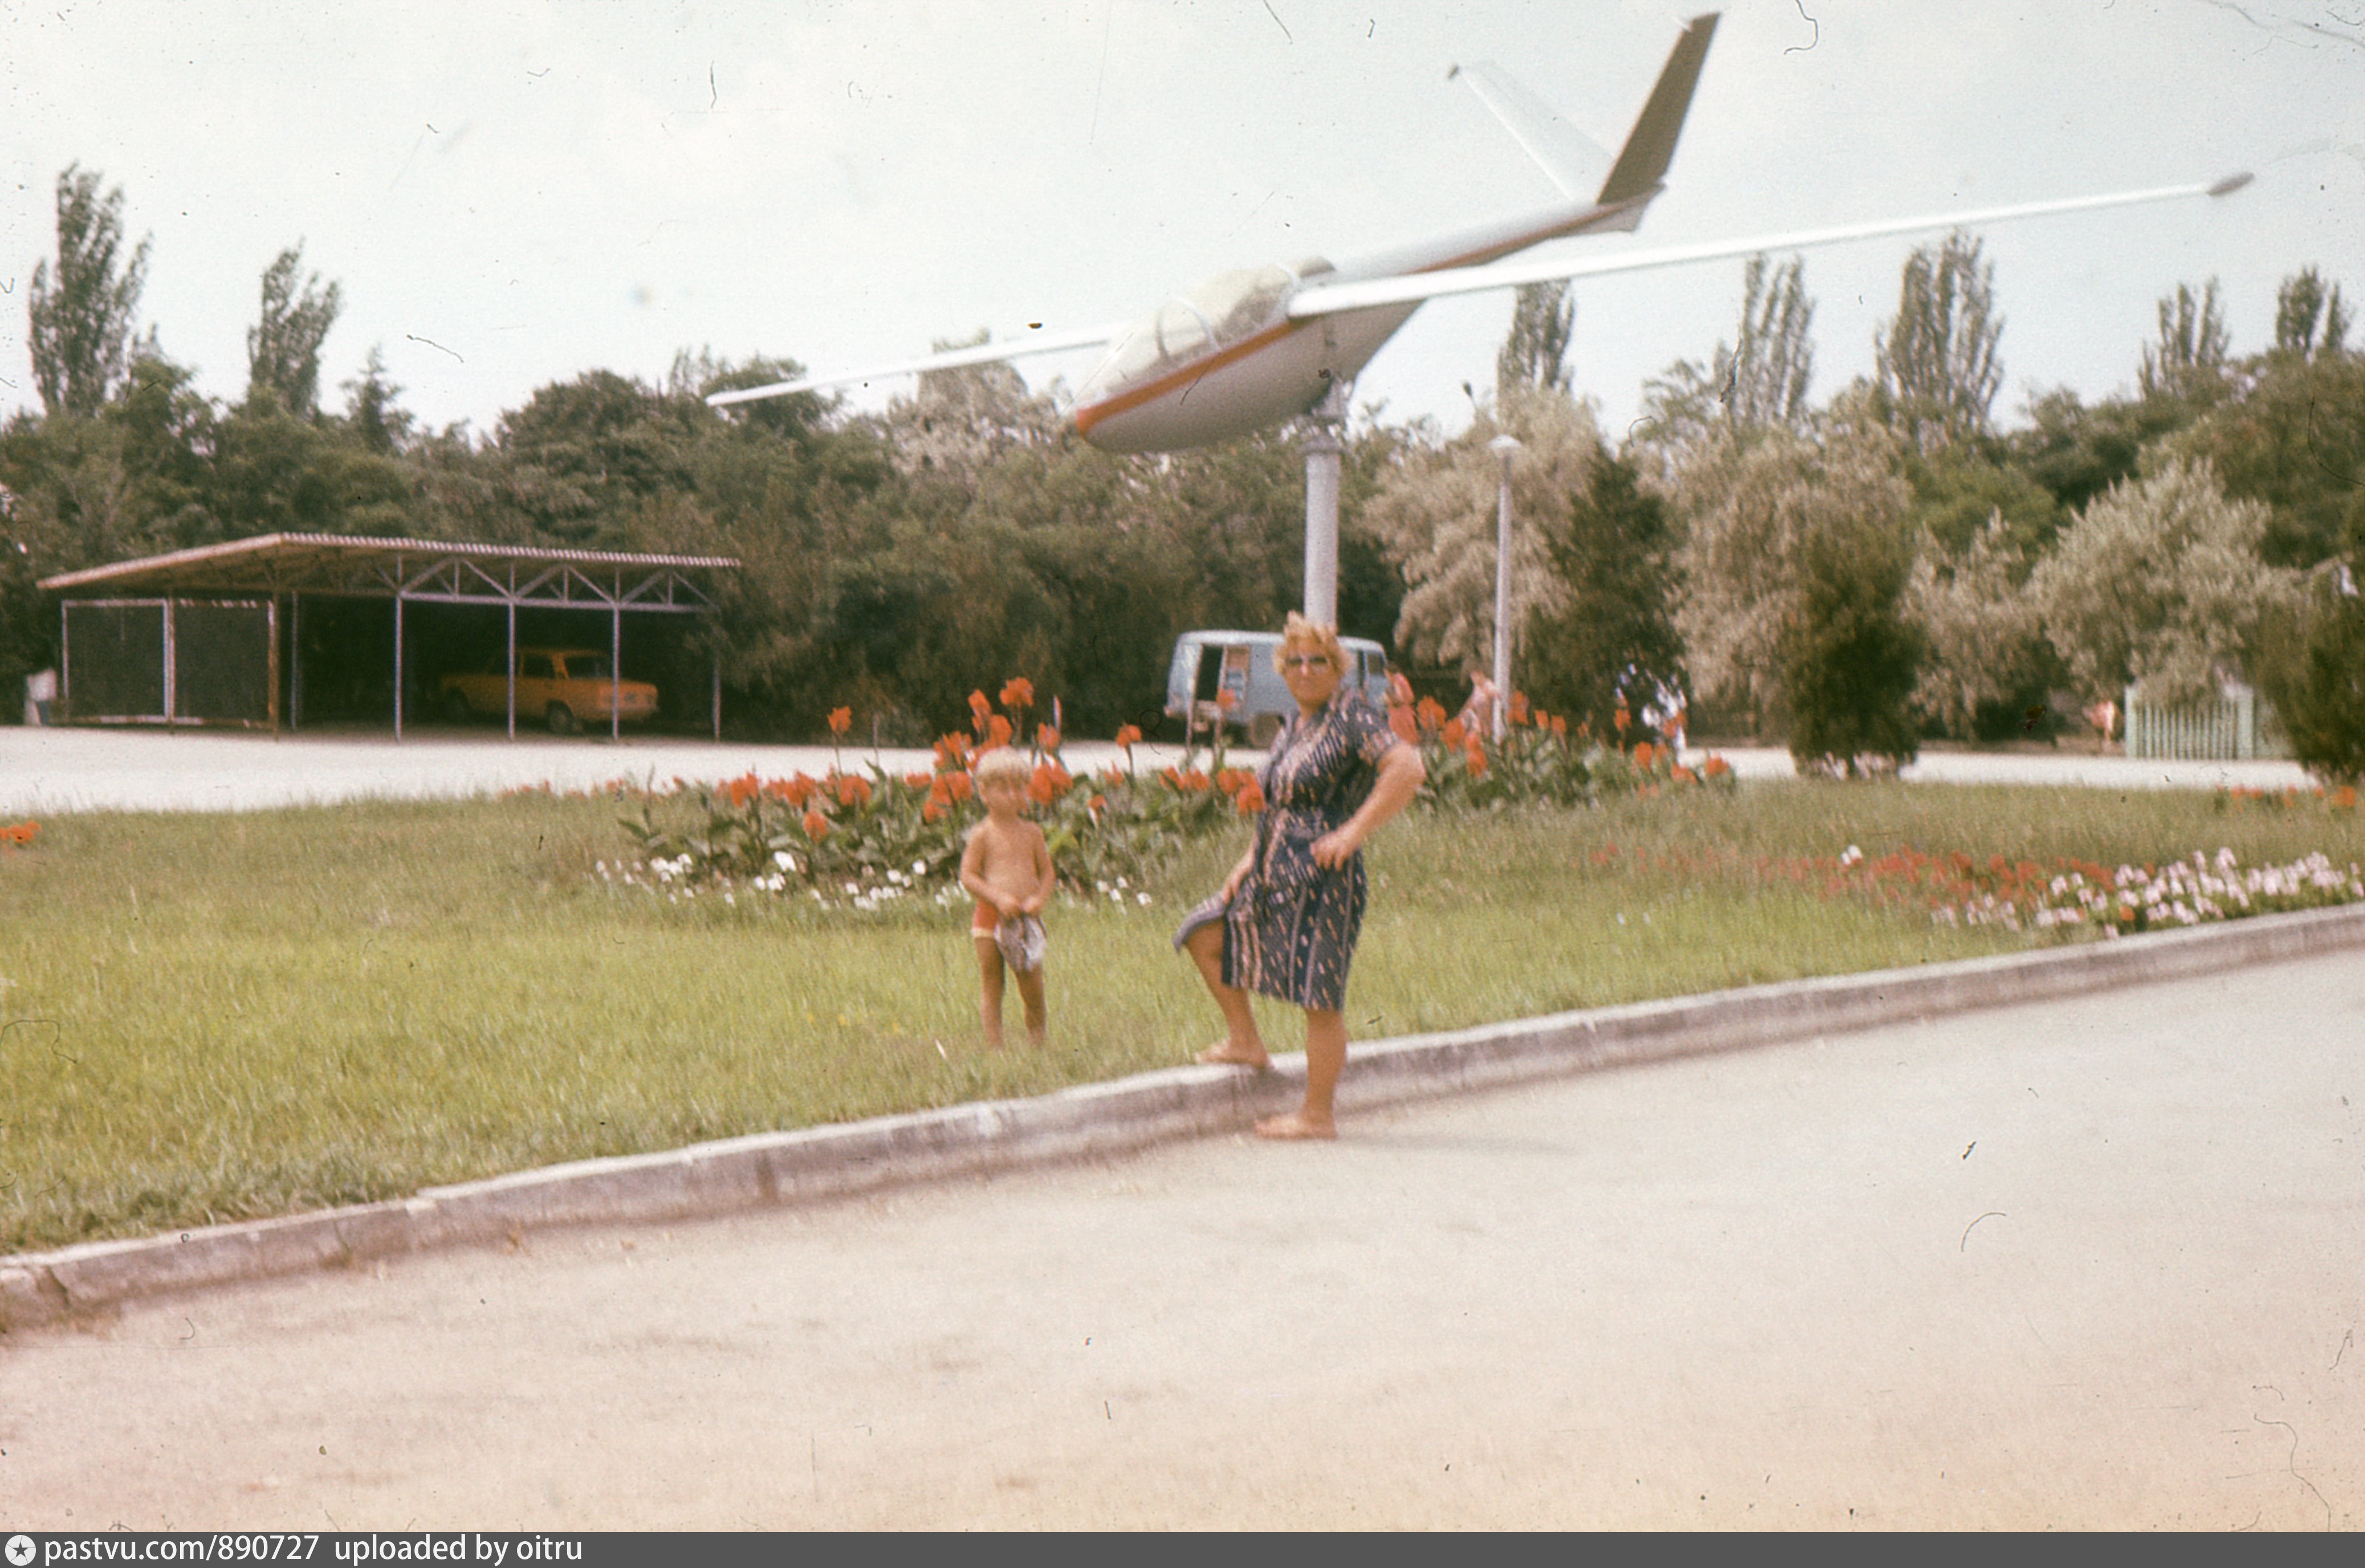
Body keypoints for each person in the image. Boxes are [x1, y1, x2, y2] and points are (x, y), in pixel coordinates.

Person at [1174, 613, 1427, 1139]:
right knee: (1204, 933)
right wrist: (1248, 859)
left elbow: (1407, 768)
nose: (1305, 669)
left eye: (1317, 660)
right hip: (1272, 868)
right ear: (1283, 670)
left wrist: (1352, 832)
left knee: (1318, 995)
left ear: (1337, 667)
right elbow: (1279, 801)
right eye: (1294, 661)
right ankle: (1246, 1040)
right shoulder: (1294, 724)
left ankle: (1317, 1115)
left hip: (1324, 876)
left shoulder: (1352, 717)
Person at [959, 746, 1056, 1047]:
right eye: (1004, 789)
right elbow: (968, 876)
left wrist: (1039, 899)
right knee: (993, 983)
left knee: (1032, 985)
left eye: (1019, 788)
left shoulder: (1032, 833)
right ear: (984, 792)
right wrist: (998, 898)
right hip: (990, 919)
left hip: (1025, 919)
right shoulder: (982, 834)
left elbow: (1048, 874)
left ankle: (1037, 1042)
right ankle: (995, 1047)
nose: (1013, 796)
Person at [1457, 666, 1500, 738]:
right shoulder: (1477, 687)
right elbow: (1471, 701)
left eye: (1474, 676)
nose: (1473, 679)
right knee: (1466, 716)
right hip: (1480, 722)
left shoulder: (1487, 684)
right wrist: (1461, 715)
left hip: (1489, 722)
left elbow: (1494, 691)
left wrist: (1494, 693)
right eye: (1472, 677)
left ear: (1481, 673)